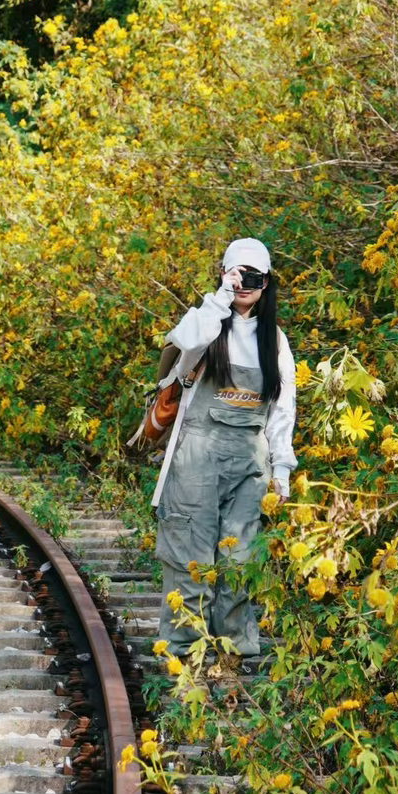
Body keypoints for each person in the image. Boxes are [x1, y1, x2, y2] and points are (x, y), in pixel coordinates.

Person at [151, 237, 297, 671]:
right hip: (196, 458)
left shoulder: (275, 341)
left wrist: (282, 471)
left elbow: (282, 411)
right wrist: (221, 297)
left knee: (239, 562)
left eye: (255, 278)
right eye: (238, 274)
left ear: (267, 284)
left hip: (250, 463)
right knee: (189, 559)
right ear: (224, 273)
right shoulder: (206, 324)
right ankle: (182, 659)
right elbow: (184, 341)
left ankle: (234, 657)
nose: (246, 284)